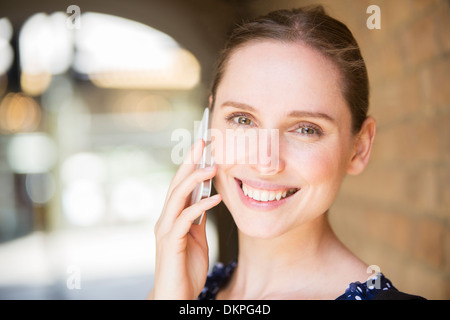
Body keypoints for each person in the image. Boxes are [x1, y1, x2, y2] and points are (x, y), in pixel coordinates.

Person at [149, 6, 425, 300]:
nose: (265, 162)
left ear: (359, 147)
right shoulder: (183, 289)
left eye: (306, 129)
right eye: (242, 119)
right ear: (209, 120)